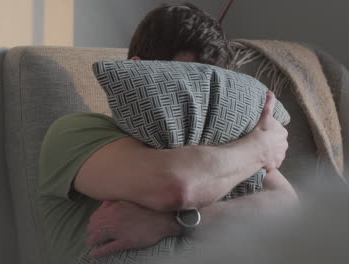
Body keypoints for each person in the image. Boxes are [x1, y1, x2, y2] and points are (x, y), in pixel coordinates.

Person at [38, 3, 297, 264]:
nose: (199, 104)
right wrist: (260, 148)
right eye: (183, 86)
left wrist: (169, 224)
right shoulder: (75, 133)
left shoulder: (230, 141)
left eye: (209, 92)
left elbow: (287, 208)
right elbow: (178, 186)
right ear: (138, 71)